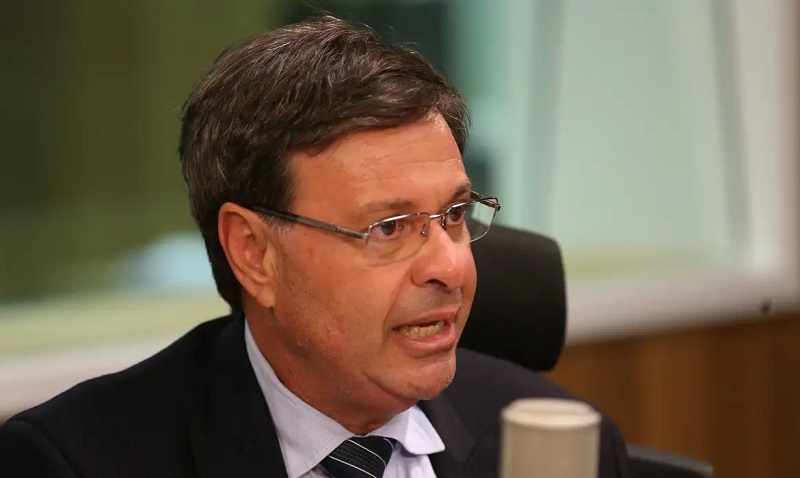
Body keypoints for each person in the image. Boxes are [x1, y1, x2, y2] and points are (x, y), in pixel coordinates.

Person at [0, 15, 629, 477]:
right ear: (254, 253)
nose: (451, 265)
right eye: (389, 227)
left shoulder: (561, 447)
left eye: (456, 215)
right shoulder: (75, 463)